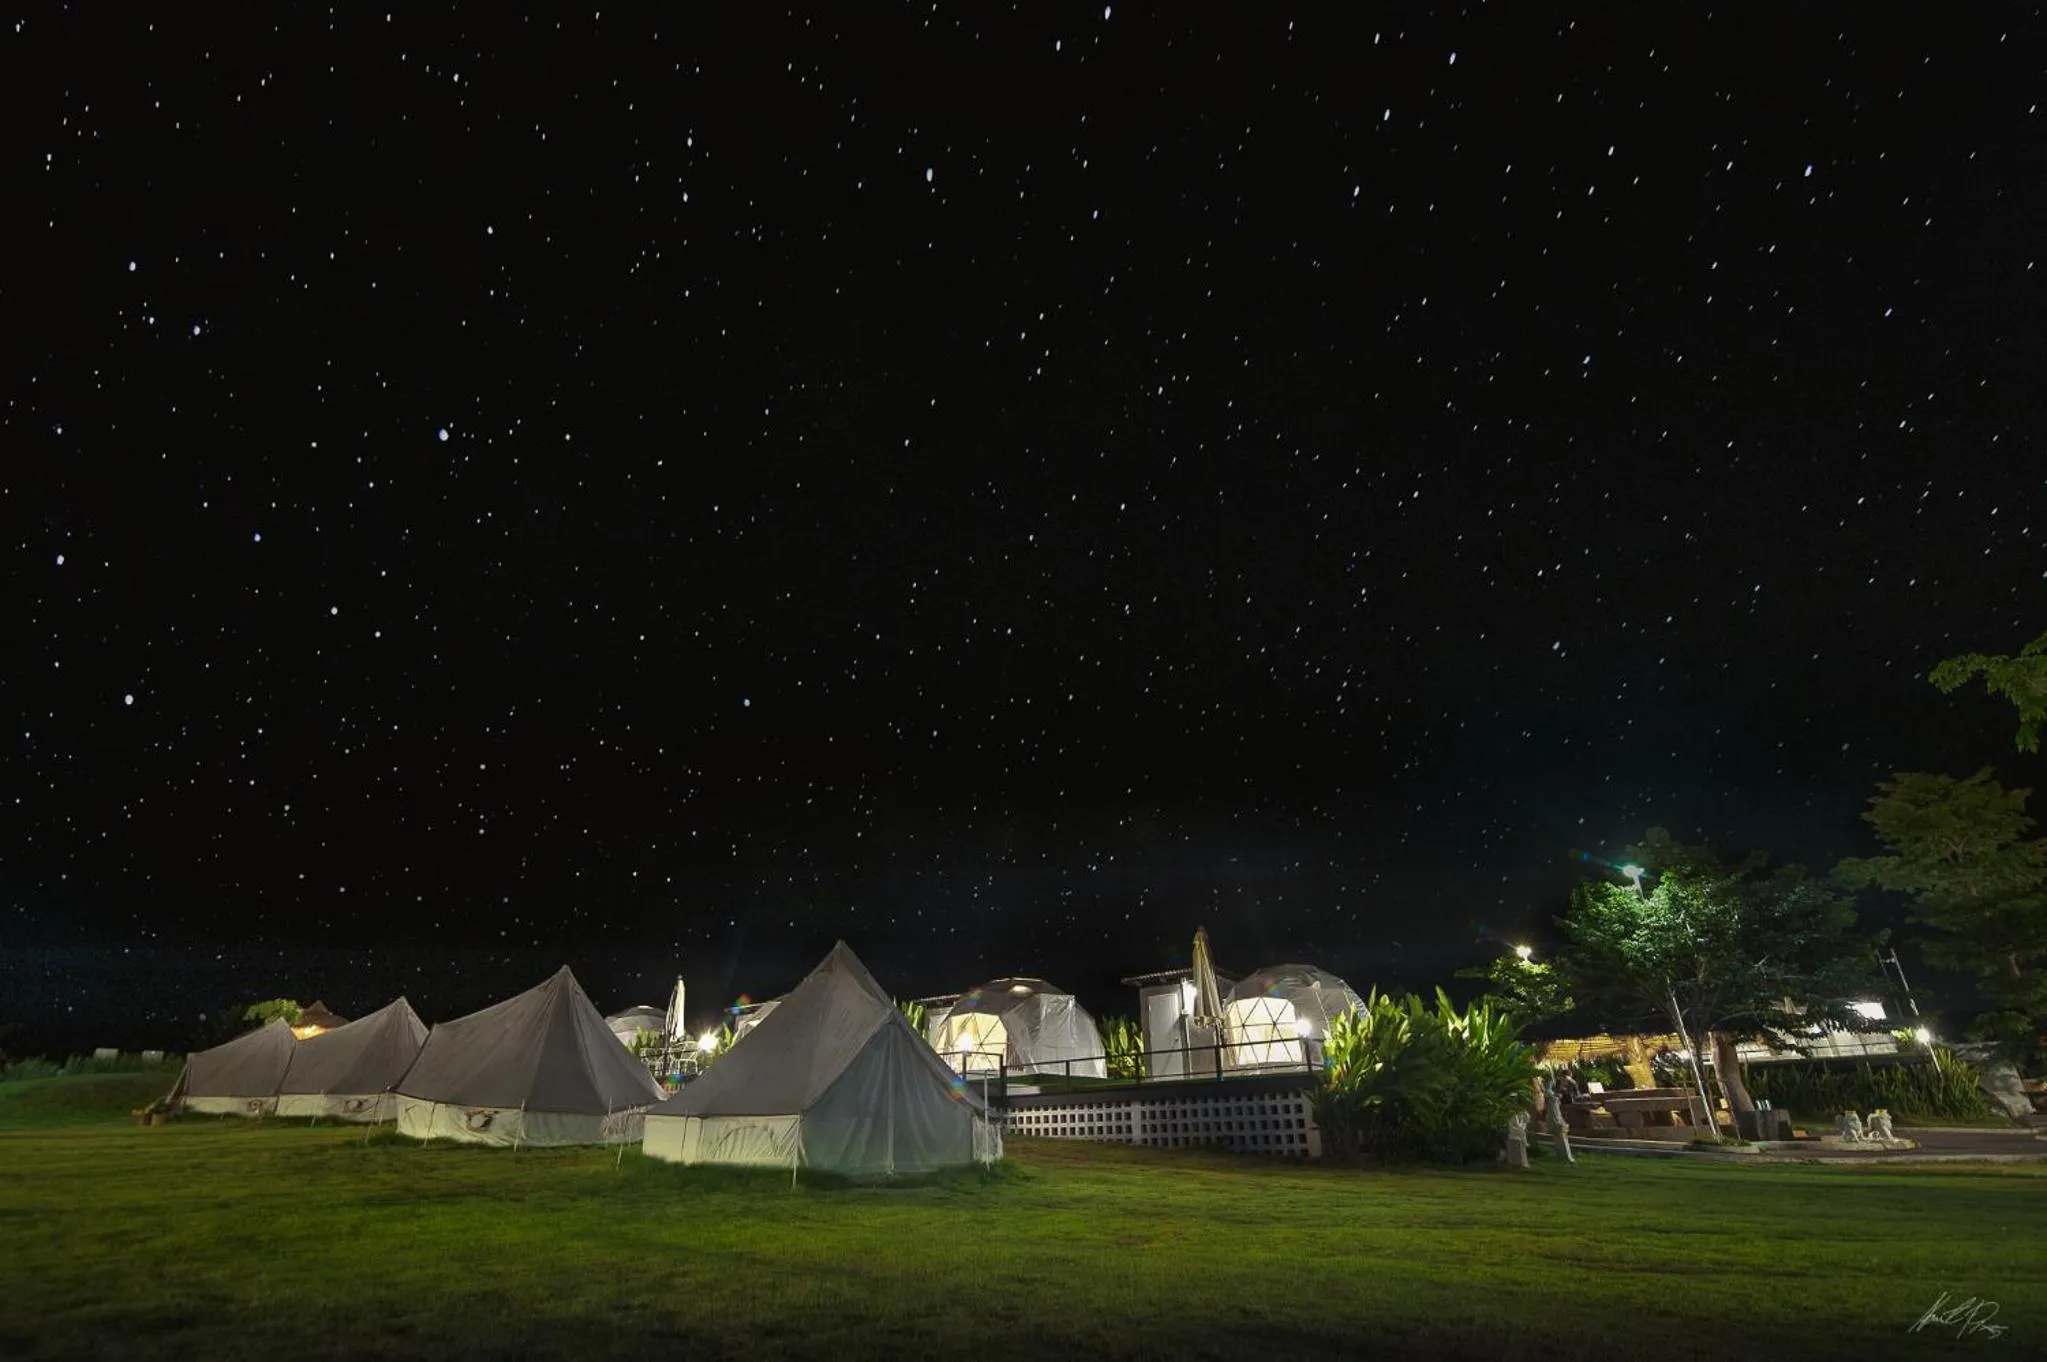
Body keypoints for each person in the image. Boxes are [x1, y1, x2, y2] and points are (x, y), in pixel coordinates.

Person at [1543, 1073, 1576, 1164]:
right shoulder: (1549, 1094)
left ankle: (1565, 1156)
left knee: (1561, 1136)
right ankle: (1563, 1156)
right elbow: (1552, 1102)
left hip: (1557, 1115)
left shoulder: (1552, 1094)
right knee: (1559, 1135)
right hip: (1554, 1117)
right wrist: (1557, 1097)